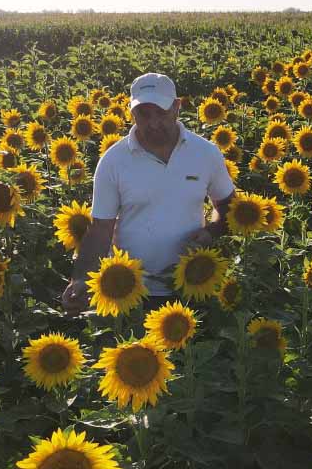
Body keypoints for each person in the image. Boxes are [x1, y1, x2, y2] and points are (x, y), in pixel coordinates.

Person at [62, 72, 235, 314]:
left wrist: (210, 232)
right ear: (132, 113)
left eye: (161, 112)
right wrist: (80, 278)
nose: (153, 123)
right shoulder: (114, 161)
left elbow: (227, 207)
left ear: (176, 107)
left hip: (192, 285)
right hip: (129, 290)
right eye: (144, 114)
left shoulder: (205, 153)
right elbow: (101, 228)